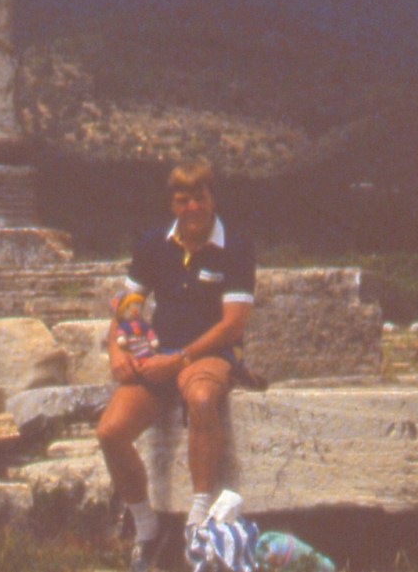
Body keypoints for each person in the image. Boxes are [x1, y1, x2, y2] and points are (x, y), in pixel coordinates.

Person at [96, 158, 256, 570]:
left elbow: (233, 324)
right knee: (111, 431)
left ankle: (197, 521)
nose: (192, 208)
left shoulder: (235, 246)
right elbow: (128, 307)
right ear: (172, 205)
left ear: (211, 197)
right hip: (159, 354)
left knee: (202, 397)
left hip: (208, 355)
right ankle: (147, 529)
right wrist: (117, 353)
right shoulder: (153, 243)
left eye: (199, 198)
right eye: (183, 200)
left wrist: (181, 359)